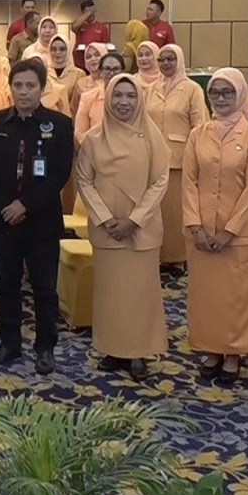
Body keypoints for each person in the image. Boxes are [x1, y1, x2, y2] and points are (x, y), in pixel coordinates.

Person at [0, 59, 74, 374]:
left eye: (30, 85)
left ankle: (45, 347)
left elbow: (60, 173)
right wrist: (7, 205)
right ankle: (9, 344)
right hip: (4, 221)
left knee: (45, 289)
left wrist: (25, 205)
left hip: (42, 222)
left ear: (42, 88)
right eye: (17, 85)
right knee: (7, 286)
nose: (23, 91)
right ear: (10, 88)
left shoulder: (59, 125)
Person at [76, 73, 170, 379]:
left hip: (141, 230)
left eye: (131, 96)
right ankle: (113, 349)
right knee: (110, 295)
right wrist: (106, 219)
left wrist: (134, 220)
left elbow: (160, 182)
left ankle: (138, 351)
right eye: (117, 95)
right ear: (108, 99)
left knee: (140, 294)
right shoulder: (93, 139)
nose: (124, 102)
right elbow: (84, 181)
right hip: (108, 232)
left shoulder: (153, 137)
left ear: (140, 99)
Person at [182, 68, 248, 384]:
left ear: (240, 94)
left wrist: (229, 231)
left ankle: (233, 353)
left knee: (237, 297)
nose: (220, 98)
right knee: (207, 296)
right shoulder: (197, 134)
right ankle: (211, 349)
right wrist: (195, 226)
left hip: (240, 235)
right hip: (202, 233)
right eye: (215, 93)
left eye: (227, 92)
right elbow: (189, 182)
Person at [146, 44, 209, 275]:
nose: (165, 63)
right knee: (156, 211)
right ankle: (157, 254)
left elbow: (200, 124)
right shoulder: (150, 89)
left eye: (170, 59)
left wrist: (195, 156)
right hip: (153, 158)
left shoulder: (192, 89)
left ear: (180, 60)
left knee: (176, 213)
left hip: (180, 159)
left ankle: (177, 257)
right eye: (161, 59)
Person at [74, 52, 123, 145]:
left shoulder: (132, 97)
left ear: (123, 71)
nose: (111, 73)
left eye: (116, 69)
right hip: (95, 148)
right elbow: (80, 134)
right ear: (100, 72)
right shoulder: (87, 98)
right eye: (107, 69)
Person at [71, 0, 111, 73]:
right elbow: (74, 27)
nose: (89, 15)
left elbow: (106, 46)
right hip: (79, 62)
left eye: (91, 12)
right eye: (86, 12)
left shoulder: (102, 27)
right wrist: (89, 12)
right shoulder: (79, 25)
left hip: (95, 62)